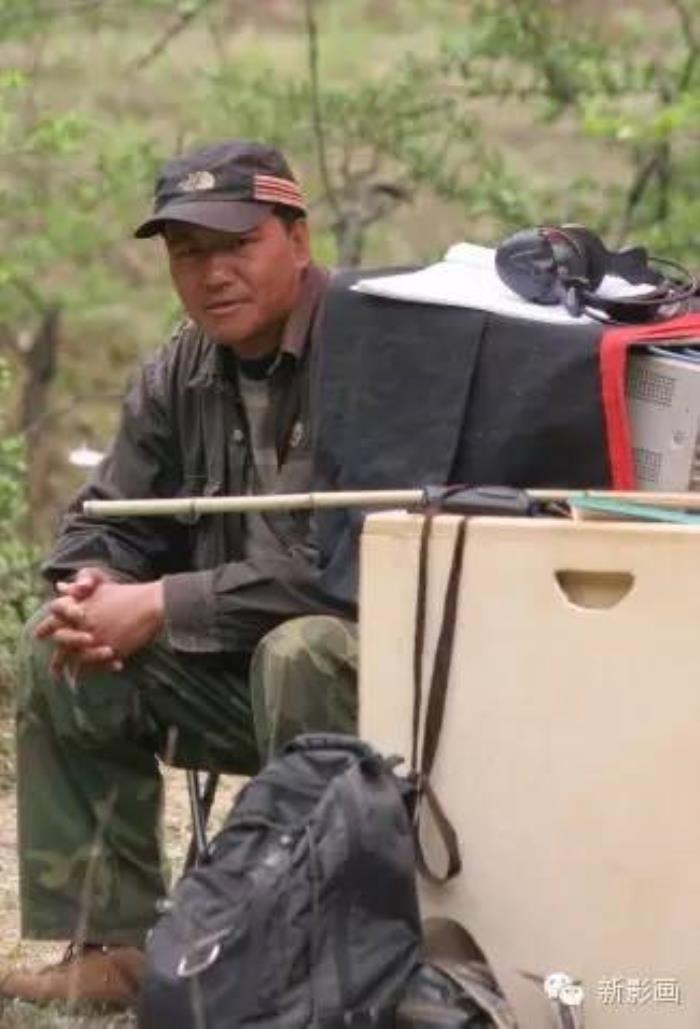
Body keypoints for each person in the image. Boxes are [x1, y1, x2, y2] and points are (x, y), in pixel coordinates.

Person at [2, 140, 358, 1008]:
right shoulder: (181, 367)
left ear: (298, 239)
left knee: (304, 649)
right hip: (229, 675)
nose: (212, 274)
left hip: (376, 685)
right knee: (55, 643)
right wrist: (93, 589)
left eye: (236, 245)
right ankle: (114, 945)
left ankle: (315, 950)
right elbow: (104, 518)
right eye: (188, 252)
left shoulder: (372, 351)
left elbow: (354, 566)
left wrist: (163, 601)